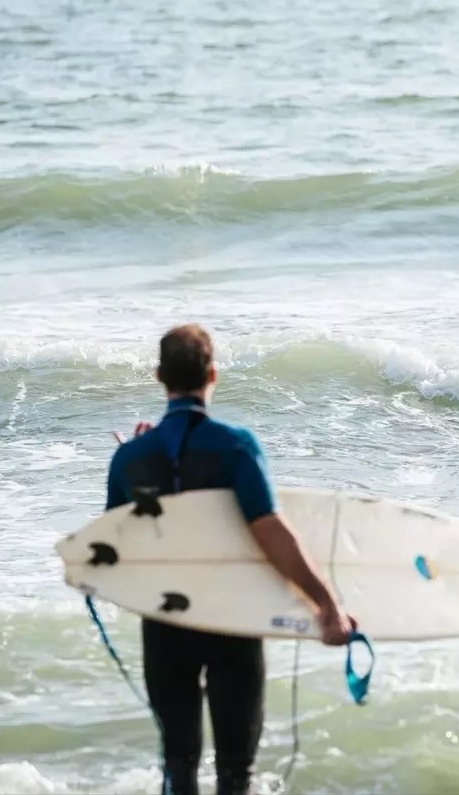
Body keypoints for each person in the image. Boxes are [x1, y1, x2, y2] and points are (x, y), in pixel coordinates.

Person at [106, 323, 355, 795]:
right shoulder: (236, 445)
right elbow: (270, 532)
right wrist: (325, 603)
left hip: (166, 622)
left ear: (160, 376)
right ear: (213, 374)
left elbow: (121, 546)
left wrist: (135, 463)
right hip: (231, 618)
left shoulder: (130, 459)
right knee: (236, 772)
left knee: (178, 765)